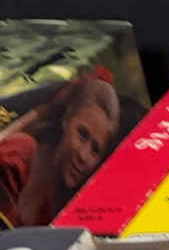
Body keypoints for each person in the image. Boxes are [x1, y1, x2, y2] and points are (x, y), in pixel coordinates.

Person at [0, 72, 121, 226]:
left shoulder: (54, 206)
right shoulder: (19, 153)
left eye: (95, 150)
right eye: (82, 134)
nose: (84, 156)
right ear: (66, 119)